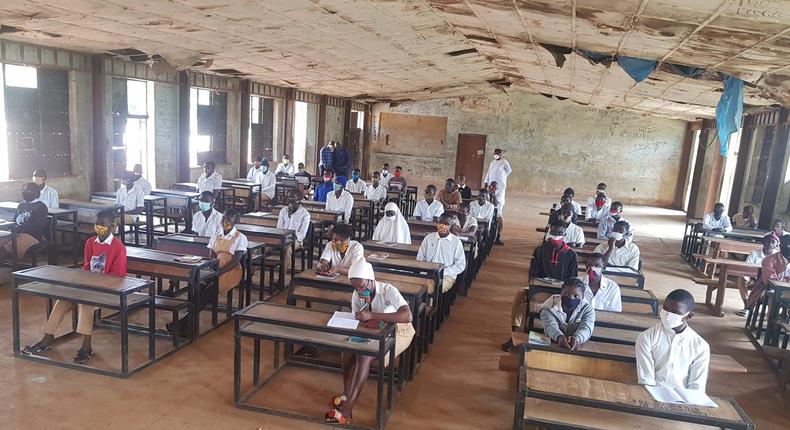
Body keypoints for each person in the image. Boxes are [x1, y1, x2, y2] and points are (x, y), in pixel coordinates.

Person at [22, 209, 127, 363]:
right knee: (63, 299)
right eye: (97, 224)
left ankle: (86, 345)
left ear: (113, 227)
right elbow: (86, 268)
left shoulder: (118, 247)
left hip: (108, 290)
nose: (99, 227)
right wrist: (84, 282)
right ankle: (48, 337)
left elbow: (118, 276)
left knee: (85, 302)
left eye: (103, 225)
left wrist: (94, 284)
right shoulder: (90, 243)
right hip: (88, 285)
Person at [325, 261, 413, 425]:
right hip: (372, 332)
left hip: (397, 332)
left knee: (364, 356)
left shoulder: (388, 290)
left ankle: (347, 409)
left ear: (371, 280)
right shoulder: (357, 294)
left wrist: (372, 315)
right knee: (348, 350)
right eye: (355, 287)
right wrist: (360, 319)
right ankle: (346, 393)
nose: (359, 290)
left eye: (362, 286)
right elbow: (357, 319)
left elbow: (407, 316)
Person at [168, 210, 247, 336]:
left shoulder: (240, 237)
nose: (226, 221)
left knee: (210, 290)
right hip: (216, 268)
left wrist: (219, 272)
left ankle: (185, 323)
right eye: (224, 218)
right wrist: (211, 270)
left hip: (231, 271)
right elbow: (212, 256)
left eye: (230, 219)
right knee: (198, 288)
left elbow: (236, 260)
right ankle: (188, 323)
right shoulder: (217, 234)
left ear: (235, 222)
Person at [503, 221, 578, 352]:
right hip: (539, 288)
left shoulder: (571, 255)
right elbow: (532, 273)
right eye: (553, 232)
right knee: (519, 297)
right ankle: (515, 332)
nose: (556, 236)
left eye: (559, 233)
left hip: (561, 292)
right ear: (549, 232)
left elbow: (573, 279)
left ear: (564, 234)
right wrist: (539, 283)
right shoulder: (540, 250)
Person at [636, 289, 710, 391]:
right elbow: (646, 380)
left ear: (689, 316)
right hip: (653, 394)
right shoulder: (647, 337)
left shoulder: (700, 346)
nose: (668, 315)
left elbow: (697, 385)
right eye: (666, 309)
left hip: (684, 398)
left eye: (675, 312)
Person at [539, 278, 596, 351]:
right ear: (561, 293)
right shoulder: (549, 306)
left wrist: (577, 338)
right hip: (552, 345)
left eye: (576, 296)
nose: (571, 298)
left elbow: (586, 328)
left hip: (577, 347)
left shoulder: (587, 309)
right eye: (565, 294)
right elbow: (550, 326)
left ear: (583, 296)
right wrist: (559, 337)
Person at [416, 213, 466, 294]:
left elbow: (460, 265)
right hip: (427, 273)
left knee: (431, 288)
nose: (442, 226)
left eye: (446, 224)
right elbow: (420, 258)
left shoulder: (456, 242)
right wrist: (425, 270)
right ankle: (424, 305)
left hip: (446, 276)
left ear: (452, 226)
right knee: (415, 287)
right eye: (440, 223)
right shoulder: (429, 238)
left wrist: (443, 272)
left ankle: (429, 306)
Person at [0, 183, 49, 261]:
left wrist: (20, 228)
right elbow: (14, 220)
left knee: (10, 246)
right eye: (23, 190)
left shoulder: (41, 207)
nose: (24, 192)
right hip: (17, 232)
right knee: (2, 239)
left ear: (35, 192)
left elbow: (38, 227)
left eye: (27, 190)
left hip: (32, 235)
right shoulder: (22, 205)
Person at [737, 233, 780, 315]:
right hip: (753, 278)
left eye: (773, 242)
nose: (770, 244)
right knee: (742, 278)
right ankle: (747, 305)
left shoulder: (777, 256)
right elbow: (747, 266)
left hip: (767, 280)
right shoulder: (755, 253)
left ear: (776, 245)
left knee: (765, 286)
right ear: (763, 242)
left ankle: (756, 308)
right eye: (767, 241)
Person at [746, 234, 790, 309]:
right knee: (774, 295)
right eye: (786, 244)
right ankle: (773, 319)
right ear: (780, 245)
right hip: (768, 289)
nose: (788, 246)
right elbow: (770, 280)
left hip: (787, 290)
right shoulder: (769, 260)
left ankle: (784, 316)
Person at [278, 191, 312, 275]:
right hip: (283, 238)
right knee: (261, 247)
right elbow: (279, 229)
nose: (290, 203)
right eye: (289, 200)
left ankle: (281, 277)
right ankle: (250, 274)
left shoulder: (305, 214)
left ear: (299, 201)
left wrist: (290, 237)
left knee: (288, 250)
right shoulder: (283, 211)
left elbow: (302, 234)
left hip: (296, 240)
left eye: (293, 201)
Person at [482, 148, 512, 216]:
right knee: (490, 197)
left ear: (501, 154)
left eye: (498, 153)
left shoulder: (504, 162)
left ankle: (498, 215)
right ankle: (490, 213)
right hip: (491, 184)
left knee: (499, 199)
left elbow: (509, 171)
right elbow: (489, 172)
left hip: (500, 185)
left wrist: (502, 177)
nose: (496, 155)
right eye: (495, 153)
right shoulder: (492, 162)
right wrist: (486, 182)